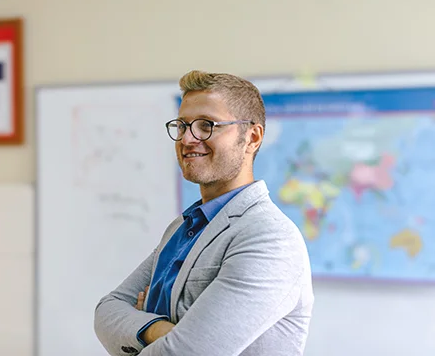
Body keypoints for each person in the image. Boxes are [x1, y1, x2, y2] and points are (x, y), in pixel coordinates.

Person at [94, 70, 314, 356]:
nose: (187, 139)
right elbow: (106, 312)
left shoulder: (270, 237)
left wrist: (141, 323)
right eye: (182, 125)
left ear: (253, 137)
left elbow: (187, 353)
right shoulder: (183, 228)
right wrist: (158, 329)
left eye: (206, 125)